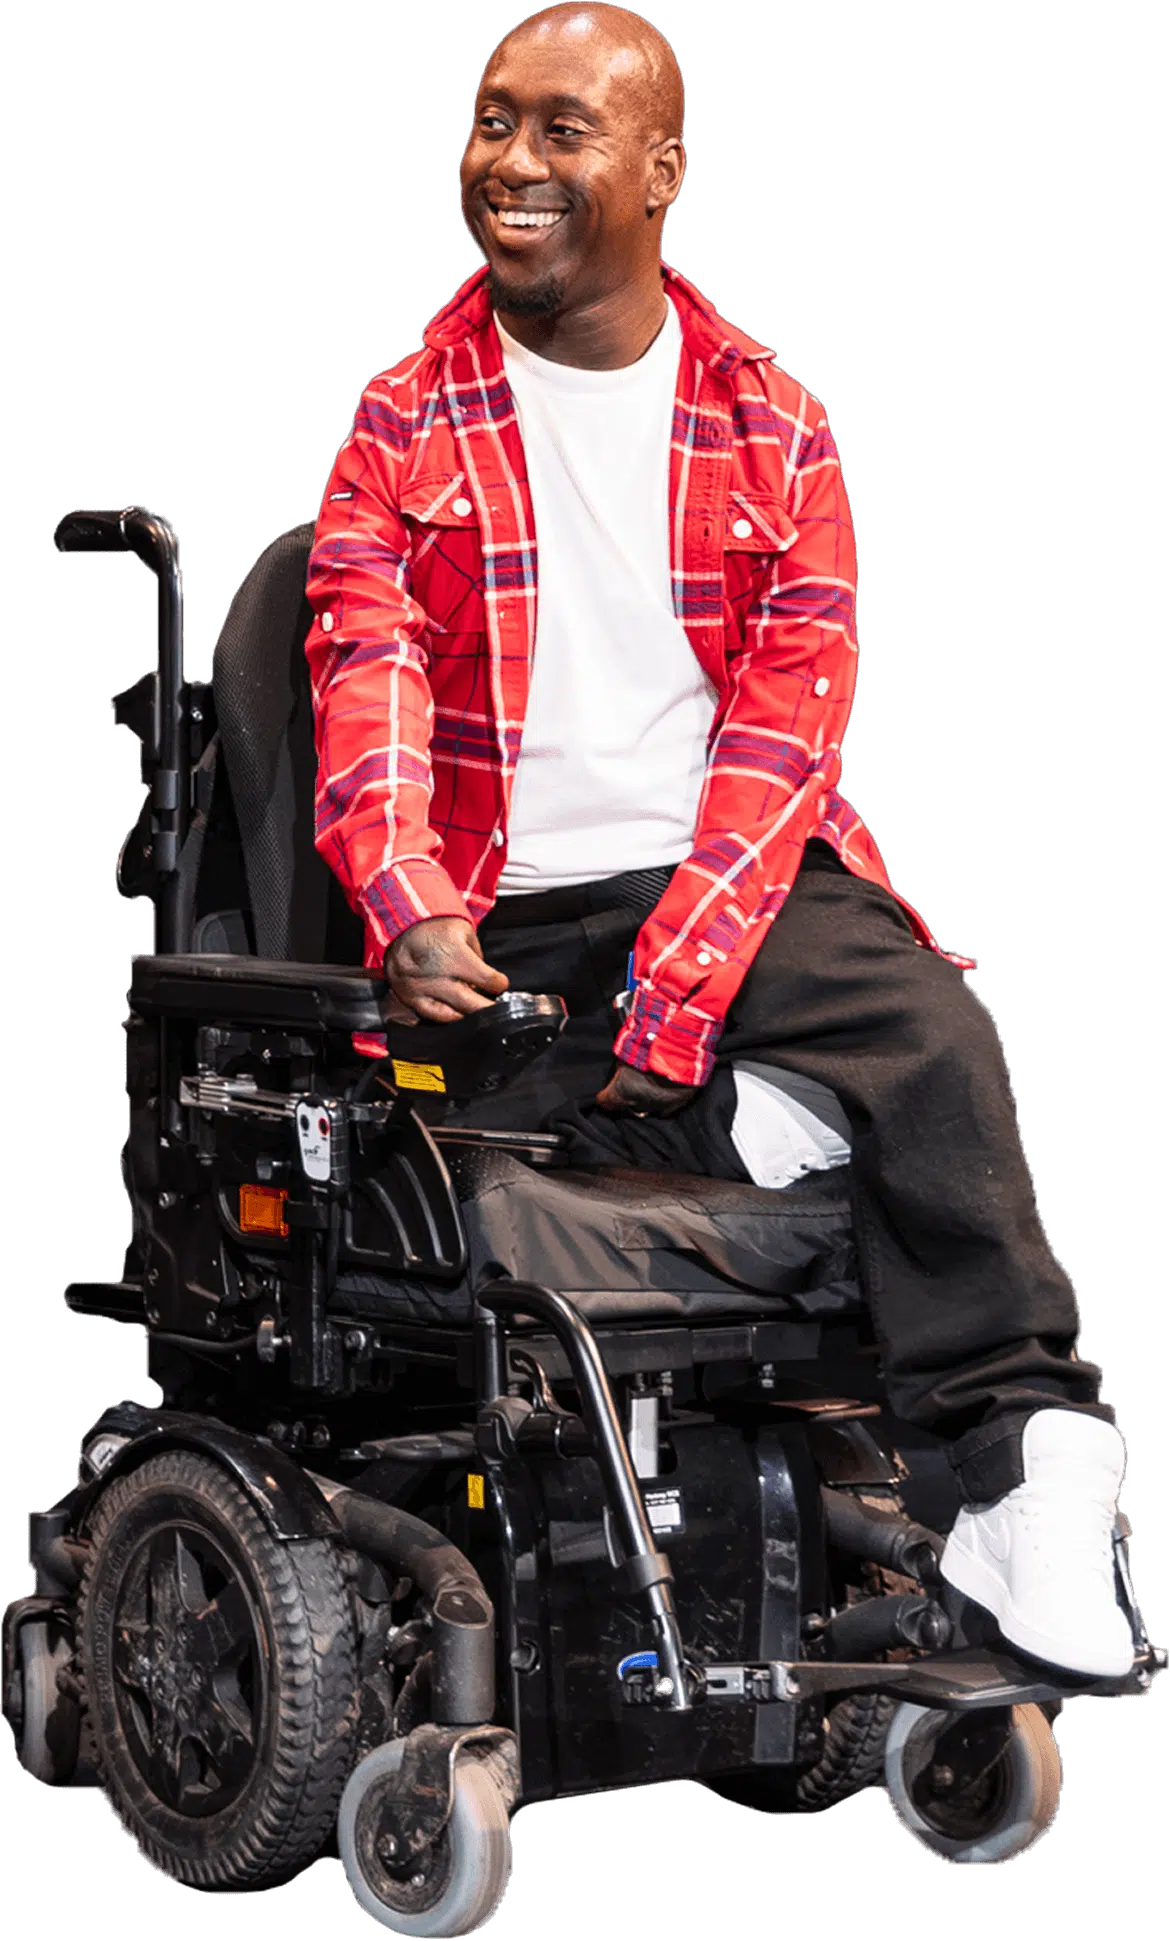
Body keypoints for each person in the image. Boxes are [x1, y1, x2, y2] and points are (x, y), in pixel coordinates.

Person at [304, 2, 1133, 1680]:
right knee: (510, 1102)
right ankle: (714, 1111)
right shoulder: (404, 421)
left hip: (728, 888)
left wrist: (673, 1004)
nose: (508, 165)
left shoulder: (773, 424)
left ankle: (1029, 1465)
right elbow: (361, 663)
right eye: (488, 122)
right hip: (510, 908)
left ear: (659, 170)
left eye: (560, 130)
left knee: (928, 1035)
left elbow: (783, 741)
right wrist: (402, 898)